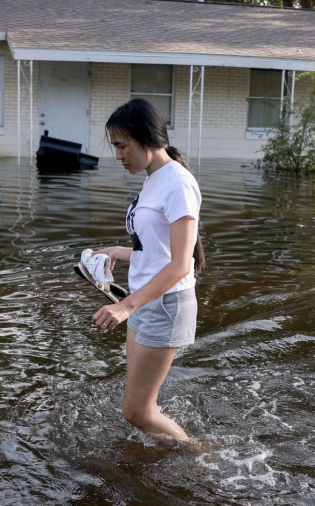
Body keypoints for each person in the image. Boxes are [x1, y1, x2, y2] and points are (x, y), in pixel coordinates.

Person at [92, 98, 205, 444]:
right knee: (140, 406)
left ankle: (199, 454)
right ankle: (158, 450)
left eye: (122, 145)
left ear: (146, 139)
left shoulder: (178, 183)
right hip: (144, 302)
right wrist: (116, 252)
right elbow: (155, 252)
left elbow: (179, 264)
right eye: (116, 146)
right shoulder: (154, 179)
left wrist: (125, 306)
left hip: (165, 305)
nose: (118, 155)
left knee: (137, 411)